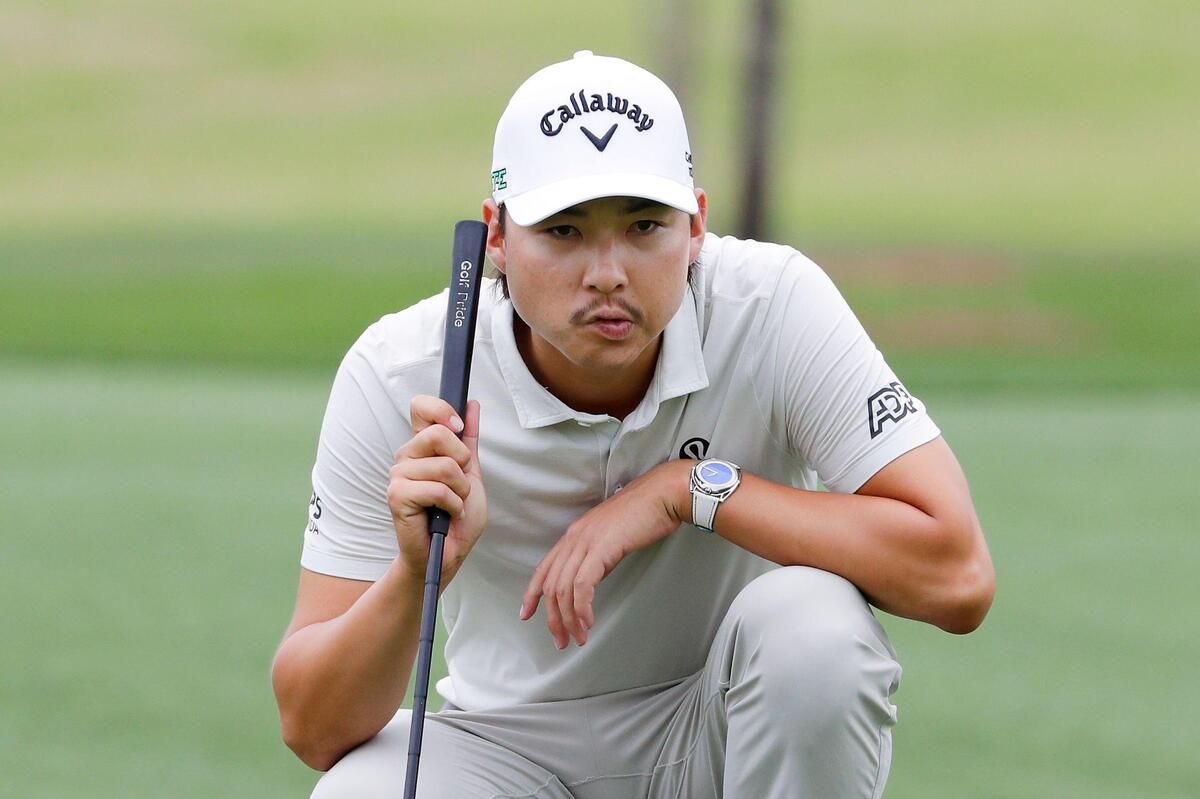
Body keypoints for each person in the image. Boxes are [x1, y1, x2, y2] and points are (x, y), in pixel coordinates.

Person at [272, 50, 995, 799]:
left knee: (815, 628)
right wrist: (415, 575)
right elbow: (313, 725)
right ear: (496, 235)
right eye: (563, 231)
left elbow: (957, 574)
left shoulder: (773, 306)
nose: (607, 272)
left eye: (645, 224)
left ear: (696, 228)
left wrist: (689, 488)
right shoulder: (402, 372)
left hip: (716, 730)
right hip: (502, 749)